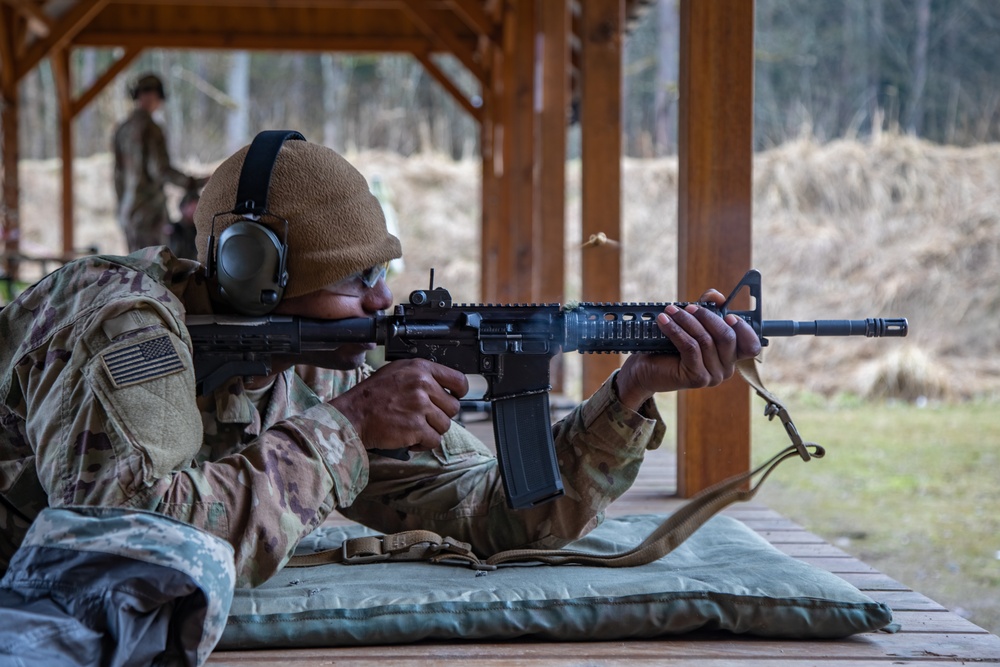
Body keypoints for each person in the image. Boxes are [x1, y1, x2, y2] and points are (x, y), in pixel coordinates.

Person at [0, 133, 760, 658]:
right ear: (251, 274)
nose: (383, 299)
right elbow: (117, 555)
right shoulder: (124, 325)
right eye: (357, 278)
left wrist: (628, 393)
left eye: (382, 272)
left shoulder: (317, 359)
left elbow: (493, 515)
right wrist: (348, 430)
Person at [113, 72, 206, 252]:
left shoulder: (122, 130)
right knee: (152, 272)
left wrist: (121, 210)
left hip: (128, 213)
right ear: (153, 95)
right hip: (149, 214)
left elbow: (118, 176)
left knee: (134, 270)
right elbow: (161, 171)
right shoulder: (151, 129)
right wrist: (196, 182)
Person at [166, 188, 200, 260]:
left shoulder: (200, 230)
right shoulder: (174, 228)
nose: (193, 209)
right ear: (183, 208)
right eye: (190, 206)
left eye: (196, 206)